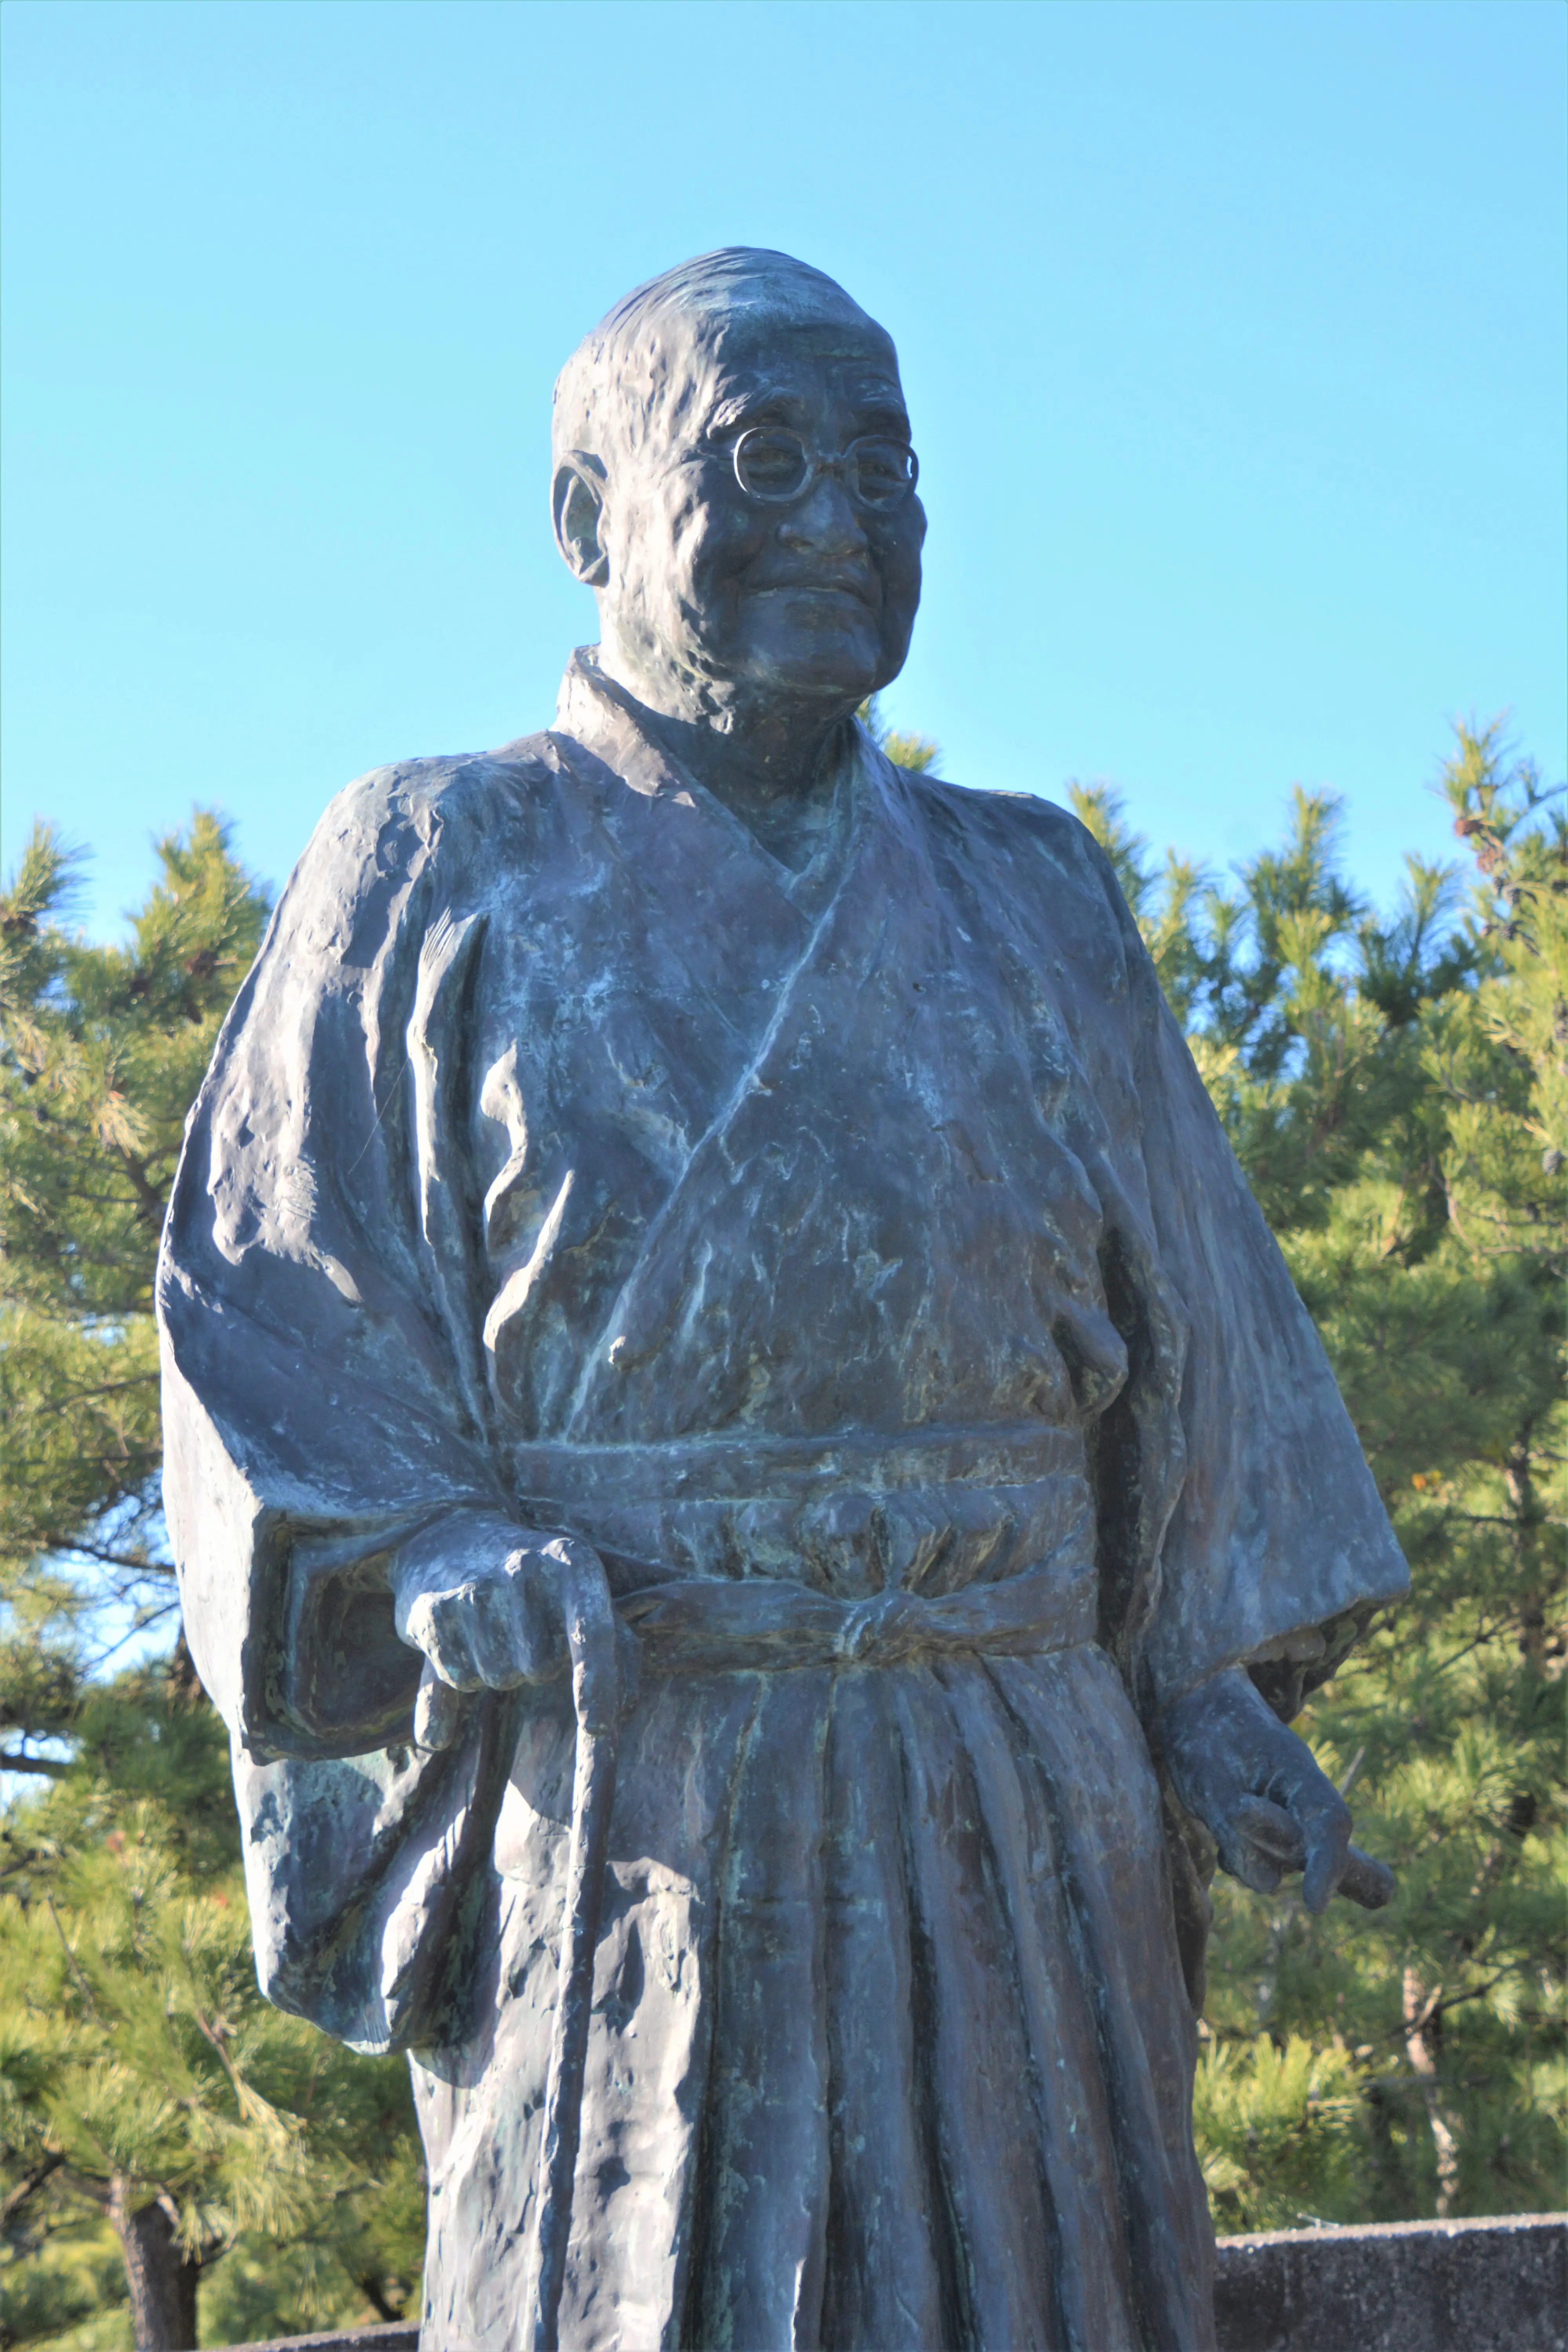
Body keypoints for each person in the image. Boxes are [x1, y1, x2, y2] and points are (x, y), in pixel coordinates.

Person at [158, 248, 1408, 2352]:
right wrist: (431, 1549)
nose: (843, 517)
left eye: (888, 467)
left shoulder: (1033, 887)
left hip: (1017, 1769)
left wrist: (1206, 1690)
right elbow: (281, 1310)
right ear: (587, 521)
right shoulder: (436, 859)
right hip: (641, 1771)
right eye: (765, 456)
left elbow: (1194, 1332)